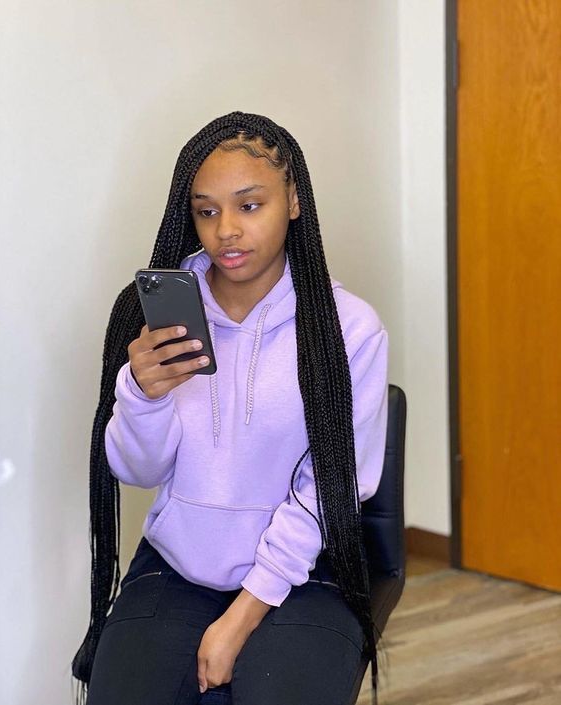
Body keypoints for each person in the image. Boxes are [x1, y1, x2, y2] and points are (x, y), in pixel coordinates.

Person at [72, 111, 389, 705]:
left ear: (293, 201)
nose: (226, 231)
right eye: (207, 211)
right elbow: (136, 472)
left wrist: (240, 619)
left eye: (249, 205)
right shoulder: (155, 317)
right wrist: (144, 394)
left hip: (306, 571)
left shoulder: (348, 329)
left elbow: (330, 488)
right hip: (178, 562)